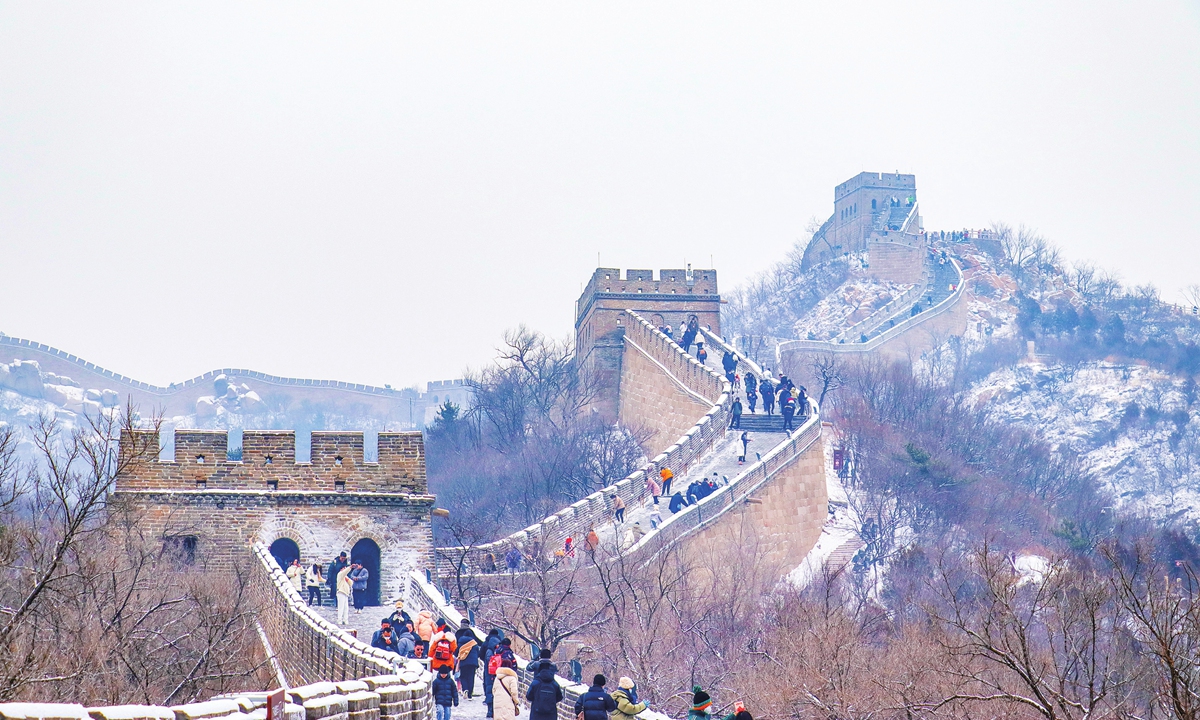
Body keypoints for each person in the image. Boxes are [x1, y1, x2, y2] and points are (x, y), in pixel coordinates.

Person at [526, 654, 563, 720]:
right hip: (551, 713)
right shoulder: (555, 684)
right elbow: (559, 697)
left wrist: (533, 660)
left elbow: (529, 696)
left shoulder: (535, 683)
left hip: (536, 713)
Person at [457, 622, 481, 698]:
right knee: (471, 677)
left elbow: (456, 651)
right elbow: (478, 653)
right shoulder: (474, 643)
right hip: (473, 663)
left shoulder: (460, 642)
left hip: (463, 661)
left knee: (463, 676)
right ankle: (470, 693)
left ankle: (465, 689)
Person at [481, 629, 502, 716]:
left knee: (489, 690)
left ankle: (491, 710)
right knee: (492, 691)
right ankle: (491, 710)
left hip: (488, 673)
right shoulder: (494, 651)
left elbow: (481, 655)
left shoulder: (487, 647)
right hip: (493, 673)